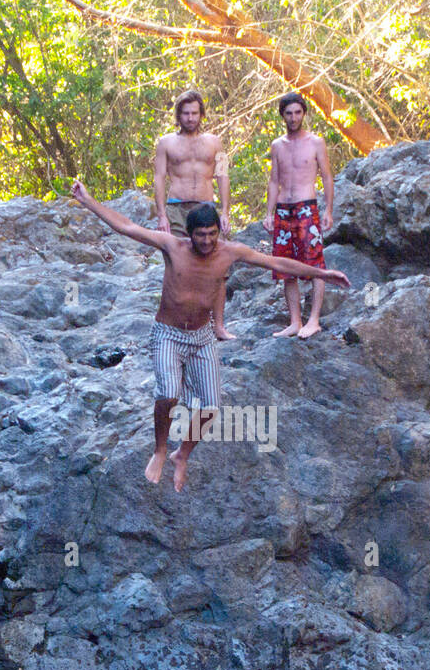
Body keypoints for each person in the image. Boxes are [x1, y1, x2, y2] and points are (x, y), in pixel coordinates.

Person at [70, 179, 350, 492]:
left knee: (211, 408)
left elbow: (276, 262)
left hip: (202, 337)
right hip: (168, 334)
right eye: (200, 235)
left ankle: (182, 454)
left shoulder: (229, 252)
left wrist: (322, 273)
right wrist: (89, 201)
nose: (207, 241)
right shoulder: (172, 246)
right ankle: (161, 450)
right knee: (168, 394)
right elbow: (127, 227)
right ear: (189, 234)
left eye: (212, 234)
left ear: (219, 231)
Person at [154, 89, 235, 341]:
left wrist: (225, 211)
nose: (190, 118)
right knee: (177, 265)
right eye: (186, 113)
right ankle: (178, 324)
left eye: (195, 113)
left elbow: (222, 174)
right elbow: (158, 178)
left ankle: (218, 325)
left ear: (202, 114)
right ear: (178, 115)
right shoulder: (166, 142)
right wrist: (161, 215)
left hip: (206, 206)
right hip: (177, 207)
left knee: (218, 267)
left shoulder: (215, 142)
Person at [264, 92, 334, 339]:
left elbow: (326, 176)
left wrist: (328, 210)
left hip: (307, 207)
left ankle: (313, 319)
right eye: (289, 113)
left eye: (297, 113)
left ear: (304, 113)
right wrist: (268, 213)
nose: (293, 118)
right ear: (282, 115)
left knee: (315, 263)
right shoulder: (277, 145)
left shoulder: (316, 142)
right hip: (284, 208)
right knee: (286, 266)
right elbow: (274, 181)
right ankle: (295, 321)